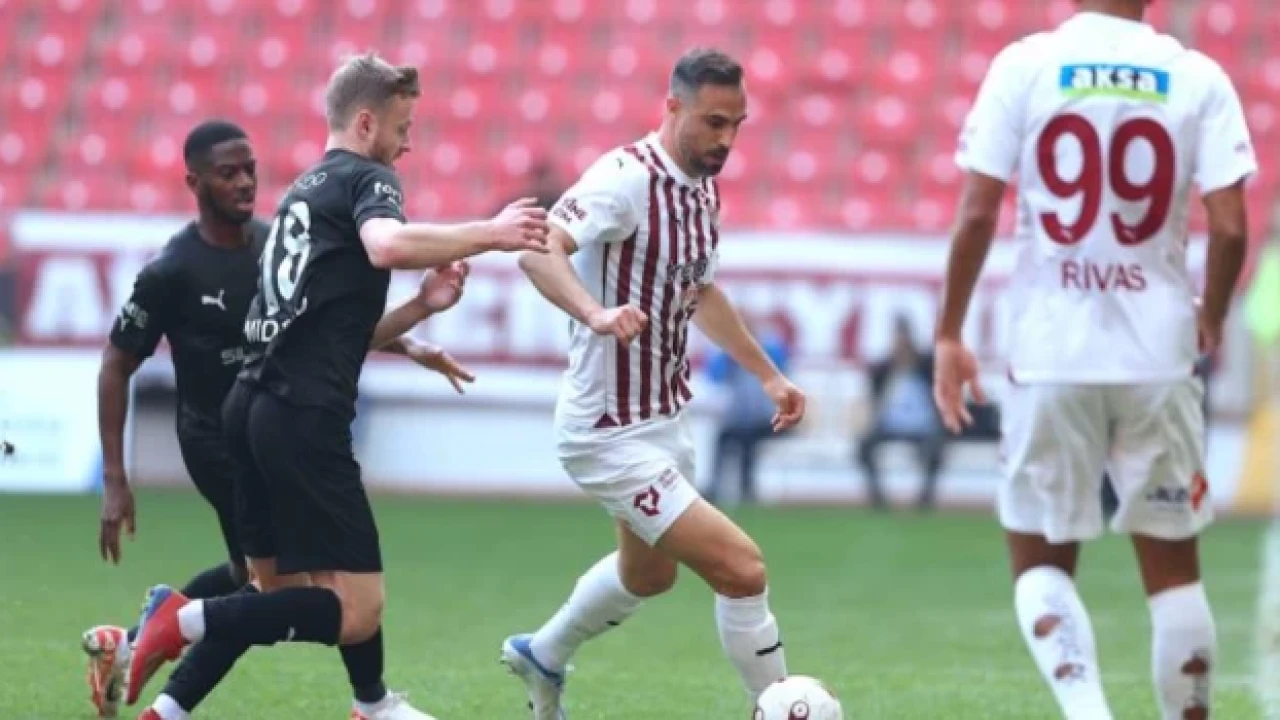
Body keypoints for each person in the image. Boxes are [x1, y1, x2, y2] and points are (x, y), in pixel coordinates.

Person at [122, 54, 548, 720]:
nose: (407, 144)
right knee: (357, 611)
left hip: (249, 407)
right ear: (367, 122)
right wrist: (489, 234)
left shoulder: (302, 192)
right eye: (402, 128)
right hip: (302, 417)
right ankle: (180, 620)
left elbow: (330, 333)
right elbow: (387, 246)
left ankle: (178, 704)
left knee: (273, 591)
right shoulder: (366, 178)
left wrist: (420, 309)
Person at [83, 119, 475, 718]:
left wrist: (414, 335)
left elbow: (325, 333)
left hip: (276, 424)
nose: (245, 182)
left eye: (250, 170)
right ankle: (363, 702)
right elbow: (116, 364)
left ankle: (149, 654)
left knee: (277, 584)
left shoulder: (277, 247)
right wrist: (115, 477)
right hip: (221, 439)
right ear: (194, 182)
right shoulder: (172, 271)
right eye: (228, 173)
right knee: (290, 586)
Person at [932, 1, 1256, 718]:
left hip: (1051, 353)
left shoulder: (1026, 65)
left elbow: (978, 213)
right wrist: (1211, 315)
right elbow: (1232, 227)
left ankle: (1088, 714)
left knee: (1040, 564)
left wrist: (950, 332)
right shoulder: (1196, 76)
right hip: (1159, 355)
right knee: (1174, 575)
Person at [502, 48, 806, 719]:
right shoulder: (624, 178)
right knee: (742, 569)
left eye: (736, 125)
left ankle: (543, 654)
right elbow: (536, 249)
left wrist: (769, 375)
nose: (726, 139)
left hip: (665, 420)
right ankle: (778, 707)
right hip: (607, 430)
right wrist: (594, 312)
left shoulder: (701, 189)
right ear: (673, 107)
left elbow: (700, 293)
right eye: (713, 122)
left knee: (648, 575)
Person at [856, 315, 946, 511]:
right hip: (891, 425)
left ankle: (925, 498)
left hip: (922, 426)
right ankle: (878, 498)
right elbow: (874, 398)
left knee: (936, 447)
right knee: (864, 445)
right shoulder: (884, 369)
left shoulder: (926, 366)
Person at [705, 316, 792, 506]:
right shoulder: (730, 357)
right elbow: (714, 376)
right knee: (724, 438)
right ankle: (715, 487)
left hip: (769, 420)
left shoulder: (769, 353)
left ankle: (747, 489)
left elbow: (784, 366)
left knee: (748, 439)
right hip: (742, 420)